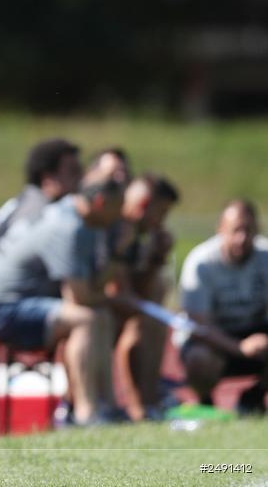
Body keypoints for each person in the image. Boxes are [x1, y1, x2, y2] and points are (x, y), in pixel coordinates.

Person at [0, 176, 125, 424]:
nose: (119, 216)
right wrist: (117, 299)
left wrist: (118, 259)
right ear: (101, 202)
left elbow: (90, 288)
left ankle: (109, 407)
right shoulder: (68, 225)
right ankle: (86, 412)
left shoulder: (74, 217)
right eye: (118, 207)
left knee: (100, 316)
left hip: (4, 306)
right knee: (86, 319)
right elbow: (79, 296)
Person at [0, 138, 82, 317]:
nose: (81, 180)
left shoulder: (27, 202)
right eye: (73, 172)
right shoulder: (38, 212)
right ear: (48, 180)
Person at [179, 200, 268, 414]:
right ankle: (205, 402)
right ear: (220, 229)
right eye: (235, 230)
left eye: (248, 230)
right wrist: (240, 347)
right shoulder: (201, 262)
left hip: (254, 331)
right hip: (214, 338)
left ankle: (253, 398)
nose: (242, 238)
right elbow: (199, 326)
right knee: (199, 358)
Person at [106, 174, 180, 421]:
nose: (162, 222)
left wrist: (157, 258)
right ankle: (138, 404)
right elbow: (118, 291)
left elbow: (141, 291)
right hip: (87, 307)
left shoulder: (135, 235)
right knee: (143, 319)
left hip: (110, 306)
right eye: (161, 213)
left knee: (154, 309)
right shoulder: (115, 228)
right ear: (144, 205)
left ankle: (149, 399)